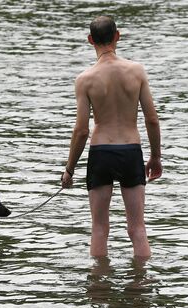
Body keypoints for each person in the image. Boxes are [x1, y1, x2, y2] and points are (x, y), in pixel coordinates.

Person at [61, 15, 162, 258]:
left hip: (101, 152)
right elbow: (152, 119)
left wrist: (69, 169)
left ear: (90, 40)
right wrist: (155, 157)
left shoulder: (85, 80)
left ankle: (99, 290)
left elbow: (81, 130)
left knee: (98, 229)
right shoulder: (136, 71)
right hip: (130, 151)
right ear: (117, 36)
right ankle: (140, 288)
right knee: (137, 228)